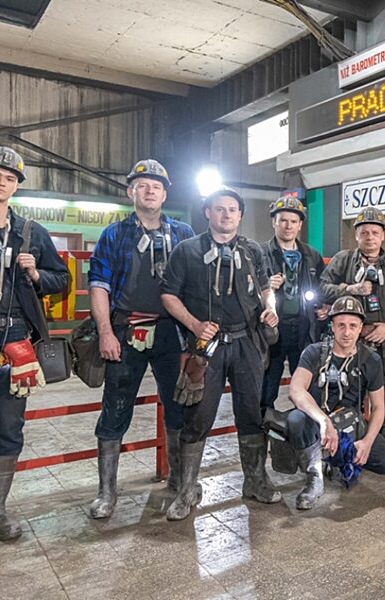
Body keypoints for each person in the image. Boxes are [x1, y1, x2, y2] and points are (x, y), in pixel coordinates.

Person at [160, 187, 281, 520]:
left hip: (247, 343)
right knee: (197, 416)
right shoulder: (187, 251)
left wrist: (270, 308)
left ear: (240, 215)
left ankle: (255, 481)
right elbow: (168, 295)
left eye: (232, 210)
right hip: (206, 347)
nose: (226, 214)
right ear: (207, 213)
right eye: (219, 209)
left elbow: (266, 287)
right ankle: (187, 490)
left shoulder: (253, 250)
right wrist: (194, 324)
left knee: (251, 413)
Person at [87, 159, 195, 519]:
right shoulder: (114, 235)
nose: (149, 191)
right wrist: (105, 332)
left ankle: (179, 480)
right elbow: (99, 285)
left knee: (179, 406)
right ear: (131, 191)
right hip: (126, 330)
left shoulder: (183, 234)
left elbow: (196, 284)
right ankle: (107, 492)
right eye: (142, 185)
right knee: (115, 409)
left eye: (156, 187)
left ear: (165, 194)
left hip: (172, 332)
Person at [0, 146, 69, 540]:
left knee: (8, 426)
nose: (1, 182)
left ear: (16, 187)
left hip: (12, 338)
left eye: (10, 178)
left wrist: (36, 275)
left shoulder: (31, 233)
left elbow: (61, 279)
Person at [280, 296, 385, 510]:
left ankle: (335, 459)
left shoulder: (371, 360)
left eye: (353, 326)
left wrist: (367, 441)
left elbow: (379, 407)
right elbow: (296, 390)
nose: (347, 332)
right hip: (317, 422)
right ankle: (314, 476)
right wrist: (324, 421)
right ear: (332, 327)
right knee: (296, 420)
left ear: (361, 328)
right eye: (341, 325)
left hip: (349, 425)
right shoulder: (314, 352)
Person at [320, 207, 385, 453]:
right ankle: (342, 451)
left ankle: (383, 452)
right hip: (348, 343)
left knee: (384, 398)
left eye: (375, 232)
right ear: (356, 235)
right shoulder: (343, 260)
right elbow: (322, 288)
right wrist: (350, 289)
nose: (370, 237)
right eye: (364, 232)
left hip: (383, 342)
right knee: (344, 394)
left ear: (383, 236)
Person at [261, 195, 326, 415]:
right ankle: (264, 426)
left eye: (293, 221)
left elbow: (324, 287)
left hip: (304, 327)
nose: (288, 226)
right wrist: (265, 285)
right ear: (274, 222)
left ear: (300, 225)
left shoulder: (311, 255)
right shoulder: (260, 254)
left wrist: (324, 307)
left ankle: (304, 428)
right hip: (273, 330)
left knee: (307, 384)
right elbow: (245, 290)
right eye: (283, 220)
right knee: (267, 384)